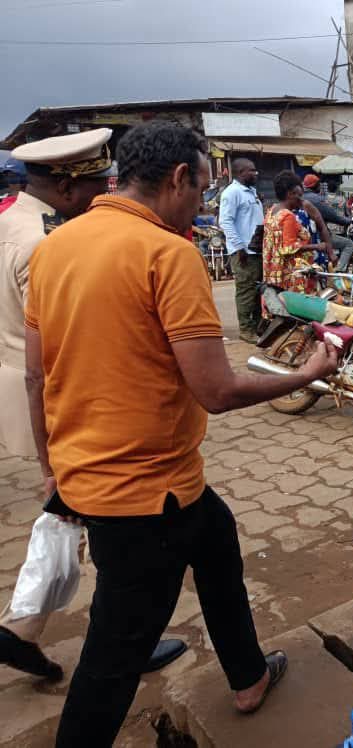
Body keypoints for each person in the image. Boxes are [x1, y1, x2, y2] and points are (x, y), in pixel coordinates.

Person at [24, 122, 340, 746]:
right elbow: (216, 391)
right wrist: (305, 375)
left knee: (217, 543)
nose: (201, 205)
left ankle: (248, 677)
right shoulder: (168, 254)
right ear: (177, 179)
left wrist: (51, 468)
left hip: (113, 476)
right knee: (114, 654)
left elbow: (36, 376)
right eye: (199, 189)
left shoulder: (56, 247)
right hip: (146, 496)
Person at [0, 128, 187, 682]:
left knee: (71, 516)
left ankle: (24, 625)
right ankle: (121, 643)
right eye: (94, 188)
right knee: (109, 526)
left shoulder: (9, 221)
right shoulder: (48, 243)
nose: (102, 199)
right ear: (65, 187)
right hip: (66, 400)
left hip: (29, 384)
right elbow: (71, 340)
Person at [219, 158, 265, 343]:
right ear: (240, 173)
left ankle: (258, 327)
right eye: (251, 170)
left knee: (258, 291)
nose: (255, 174)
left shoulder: (251, 192)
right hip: (244, 252)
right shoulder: (232, 193)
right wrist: (239, 247)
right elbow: (225, 221)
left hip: (256, 250)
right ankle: (246, 330)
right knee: (246, 291)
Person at [263, 170, 329, 295]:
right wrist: (317, 246)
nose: (301, 200)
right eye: (299, 196)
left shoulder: (271, 211)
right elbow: (288, 248)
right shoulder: (288, 216)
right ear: (290, 194)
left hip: (273, 273)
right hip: (289, 274)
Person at [302, 173, 353, 272]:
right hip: (323, 234)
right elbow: (334, 216)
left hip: (304, 236)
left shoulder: (300, 198)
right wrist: (349, 221)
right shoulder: (320, 199)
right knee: (349, 244)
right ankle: (338, 270)